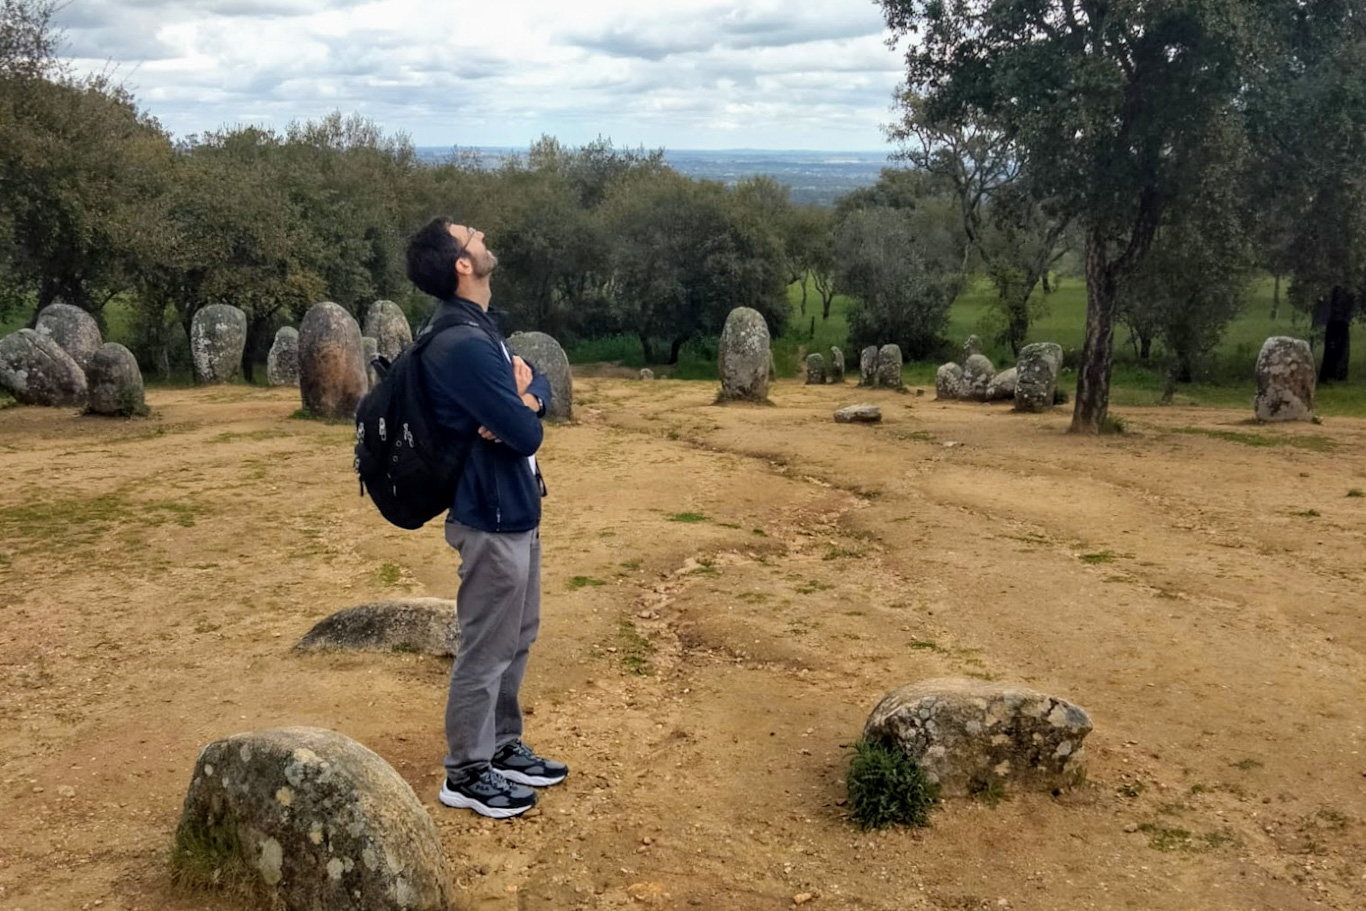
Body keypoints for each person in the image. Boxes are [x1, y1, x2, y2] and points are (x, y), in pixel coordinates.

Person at [404, 217, 568, 819]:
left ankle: (501, 745)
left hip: (516, 506)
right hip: (489, 514)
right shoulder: (462, 345)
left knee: (518, 635)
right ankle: (466, 771)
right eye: (469, 235)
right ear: (461, 265)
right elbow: (526, 432)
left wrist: (527, 393)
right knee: (485, 646)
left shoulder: (480, 329)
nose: (479, 234)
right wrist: (522, 406)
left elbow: (537, 386)